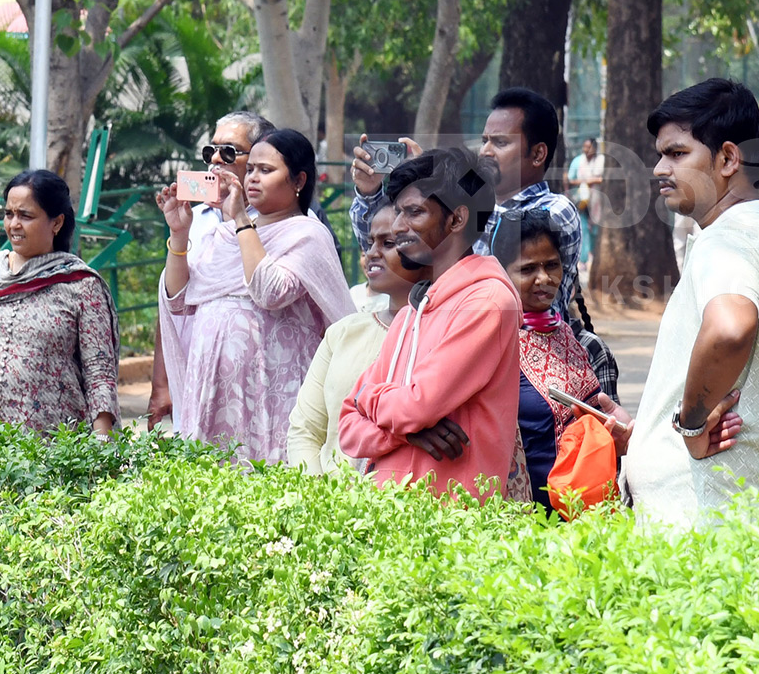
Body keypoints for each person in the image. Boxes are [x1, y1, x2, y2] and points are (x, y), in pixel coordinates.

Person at [620, 79, 759, 528]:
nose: (658, 168)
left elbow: (731, 327)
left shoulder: (727, 240)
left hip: (707, 528)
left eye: (676, 153)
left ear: (728, 158)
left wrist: (690, 426)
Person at [156, 128, 355, 463]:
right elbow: (177, 299)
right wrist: (179, 234)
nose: (253, 179)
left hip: (273, 392)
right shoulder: (221, 235)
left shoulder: (307, 235)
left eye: (266, 170)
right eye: (251, 170)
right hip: (211, 391)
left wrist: (240, 218)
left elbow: (269, 291)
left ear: (298, 181)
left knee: (266, 479)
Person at [338, 148, 522, 499]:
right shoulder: (411, 311)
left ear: (456, 220)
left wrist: (375, 403)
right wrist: (405, 432)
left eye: (414, 212)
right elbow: (348, 424)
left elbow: (414, 407)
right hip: (389, 515)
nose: (397, 227)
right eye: (398, 213)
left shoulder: (486, 303)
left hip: (449, 525)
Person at [349, 89, 581, 321]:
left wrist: (438, 185)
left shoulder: (557, 210)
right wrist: (371, 193)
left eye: (500, 142)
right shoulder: (467, 206)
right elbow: (389, 251)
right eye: (484, 141)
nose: (486, 151)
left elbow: (505, 239)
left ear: (538, 154)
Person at [147, 111, 273, 429]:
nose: (215, 160)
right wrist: (161, 384)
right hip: (197, 372)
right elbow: (172, 301)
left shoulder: (280, 222)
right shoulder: (194, 217)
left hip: (257, 377)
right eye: (210, 151)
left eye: (228, 151)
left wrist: (237, 217)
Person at [287, 203, 429, 474]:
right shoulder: (343, 333)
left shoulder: (450, 335)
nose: (372, 253)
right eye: (369, 242)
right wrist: (320, 499)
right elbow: (304, 431)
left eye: (388, 242)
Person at [0, 170, 120, 435]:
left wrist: (101, 449)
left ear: (56, 223)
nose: (13, 224)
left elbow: (99, 373)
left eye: (26, 215)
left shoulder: (81, 284)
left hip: (56, 448)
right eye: (9, 214)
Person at [492, 208, 606, 511]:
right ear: (502, 273)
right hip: (525, 515)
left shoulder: (567, 335)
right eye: (528, 269)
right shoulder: (495, 342)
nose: (544, 278)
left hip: (580, 510)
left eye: (551, 265)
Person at [566, 137, 604, 267]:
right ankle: (583, 260)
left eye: (589, 147)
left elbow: (604, 178)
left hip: (598, 200)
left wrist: (592, 181)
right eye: (584, 147)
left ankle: (594, 255)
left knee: (595, 229)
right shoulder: (578, 161)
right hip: (581, 199)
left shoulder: (601, 161)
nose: (586, 150)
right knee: (582, 228)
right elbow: (570, 179)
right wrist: (586, 182)